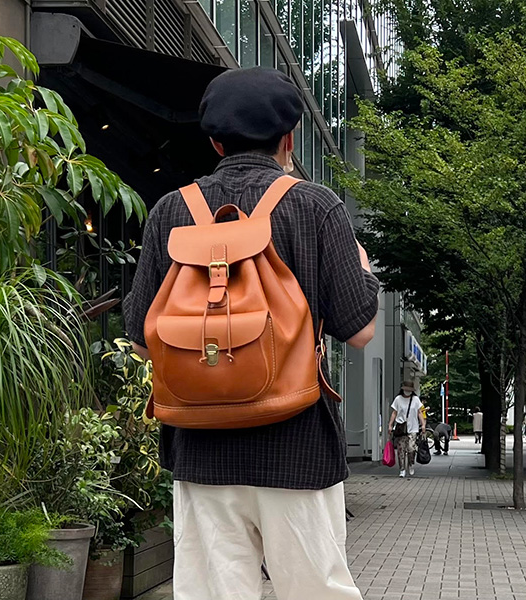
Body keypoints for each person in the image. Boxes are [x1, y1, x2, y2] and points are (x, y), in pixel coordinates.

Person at [123, 67, 380, 600]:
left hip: (199, 448)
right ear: (288, 139)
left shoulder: (172, 212)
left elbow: (143, 334)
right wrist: (363, 271)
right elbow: (361, 331)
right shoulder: (315, 206)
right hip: (297, 443)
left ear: (214, 141)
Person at [387, 382, 426, 478]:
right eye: (406, 390)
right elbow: (394, 413)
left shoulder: (416, 400)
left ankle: (411, 464)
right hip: (401, 428)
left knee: (411, 448)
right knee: (401, 450)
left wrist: (423, 424)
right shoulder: (398, 399)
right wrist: (390, 425)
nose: (407, 392)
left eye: (409, 390)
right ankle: (402, 469)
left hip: (413, 428)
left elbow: (419, 412)